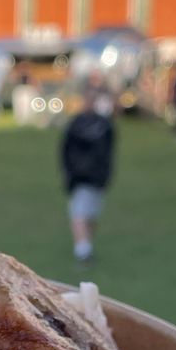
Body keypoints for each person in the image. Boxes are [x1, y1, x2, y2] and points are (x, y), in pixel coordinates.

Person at [61, 79, 115, 263]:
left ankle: (86, 245)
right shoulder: (77, 124)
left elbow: (108, 152)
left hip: (96, 177)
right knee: (79, 213)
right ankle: (82, 249)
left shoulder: (103, 125)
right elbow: (66, 151)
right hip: (80, 177)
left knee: (91, 214)